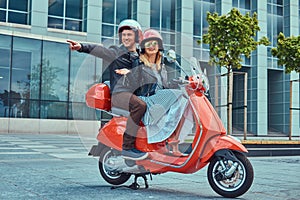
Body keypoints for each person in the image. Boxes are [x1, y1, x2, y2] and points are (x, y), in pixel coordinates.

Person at [67, 19, 148, 160]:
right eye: (124, 35)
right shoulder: (116, 52)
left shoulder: (140, 56)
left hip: (134, 94)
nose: (126, 38)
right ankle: (128, 147)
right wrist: (81, 47)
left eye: (129, 35)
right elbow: (100, 50)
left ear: (136, 36)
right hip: (120, 94)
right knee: (140, 106)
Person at [117, 29, 189, 156]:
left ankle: (173, 144)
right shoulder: (138, 62)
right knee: (179, 96)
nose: (151, 47)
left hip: (157, 99)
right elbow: (136, 86)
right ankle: (128, 145)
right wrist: (129, 73)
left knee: (184, 99)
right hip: (146, 99)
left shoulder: (161, 66)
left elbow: (162, 87)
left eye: (154, 43)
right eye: (148, 44)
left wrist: (177, 82)